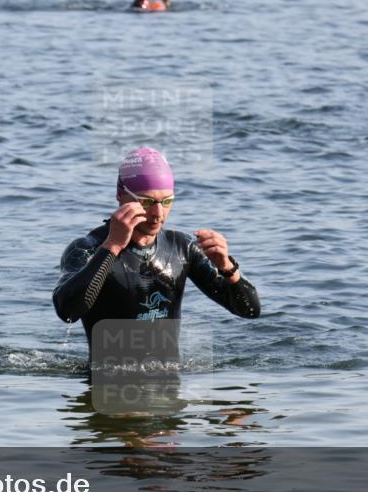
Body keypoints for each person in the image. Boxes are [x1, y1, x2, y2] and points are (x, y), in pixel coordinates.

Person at [53, 147, 260, 353]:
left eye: (167, 201)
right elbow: (67, 311)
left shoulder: (182, 248)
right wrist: (113, 246)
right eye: (147, 202)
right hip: (107, 381)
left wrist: (227, 268)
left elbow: (250, 311)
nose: (158, 213)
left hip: (168, 381)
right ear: (121, 195)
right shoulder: (87, 249)